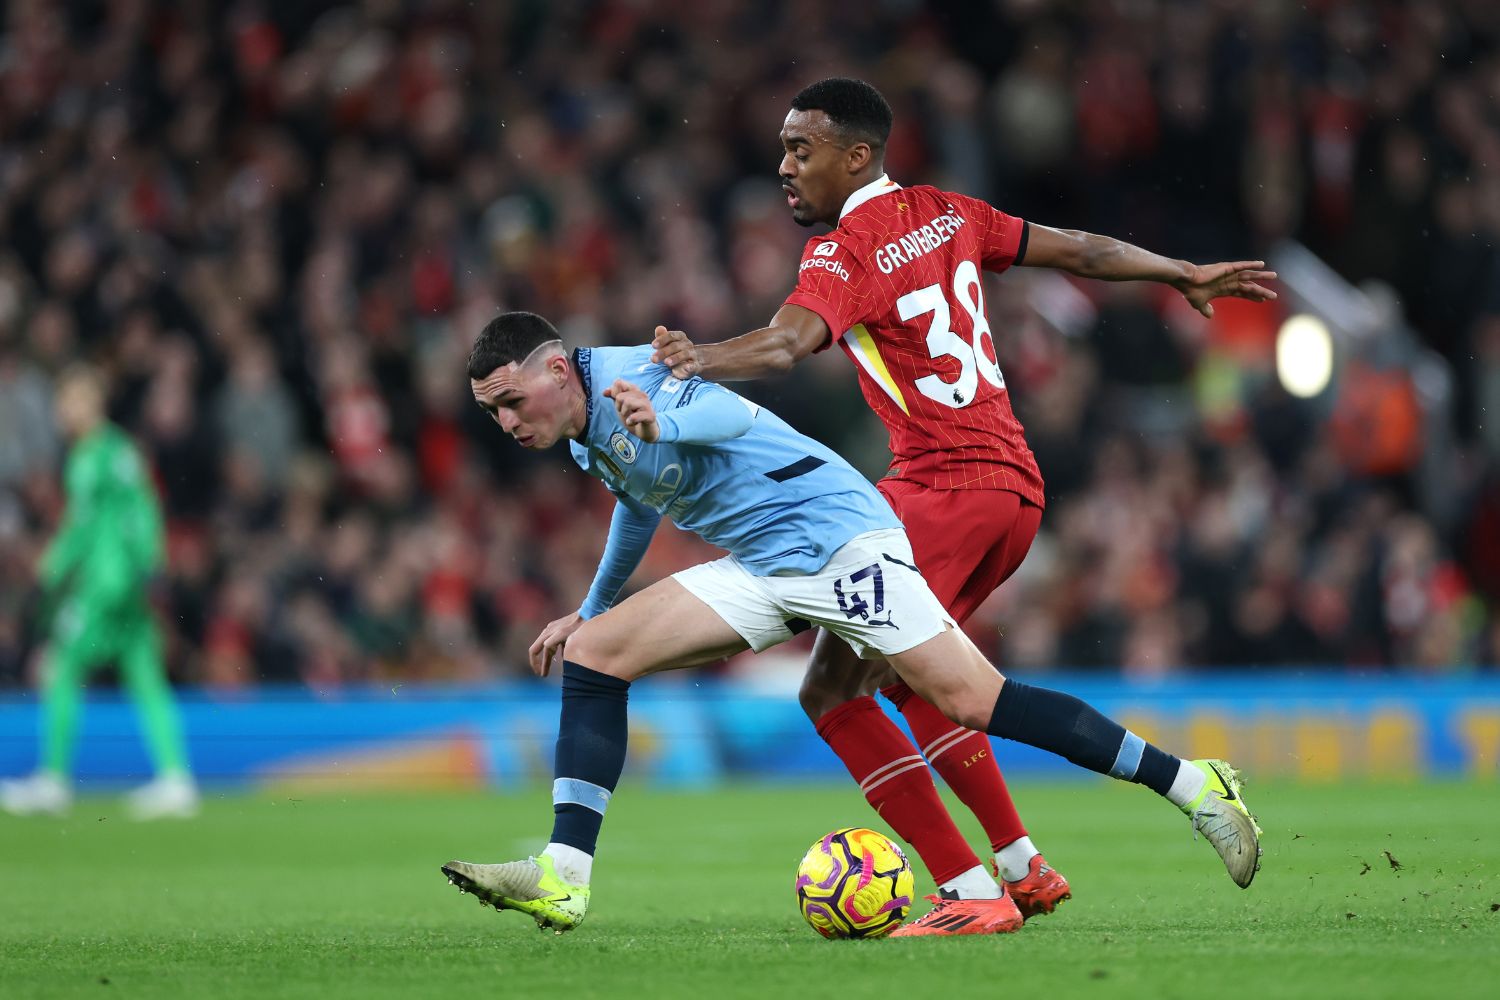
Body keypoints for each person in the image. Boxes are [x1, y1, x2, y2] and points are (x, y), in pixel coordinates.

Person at [650, 77, 1278, 934]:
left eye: (803, 149)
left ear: (856, 154)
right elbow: (1083, 252)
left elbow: (790, 344)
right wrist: (1177, 271)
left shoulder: (844, 252)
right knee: (915, 679)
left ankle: (990, 880)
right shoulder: (950, 212)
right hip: (1013, 490)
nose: (785, 167)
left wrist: (696, 358)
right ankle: (1021, 867)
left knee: (834, 694)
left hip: (938, 487)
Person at [441, 311, 1260, 935]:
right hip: (764, 562)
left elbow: (725, 417)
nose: (507, 424)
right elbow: (634, 501)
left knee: (976, 700)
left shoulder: (641, 378)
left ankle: (1194, 785)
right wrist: (588, 607)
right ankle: (564, 873)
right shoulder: (588, 426)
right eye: (492, 414)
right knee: (596, 651)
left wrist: (667, 423)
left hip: (836, 541)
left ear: (555, 369)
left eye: (511, 402)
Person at [0, 366, 199, 820]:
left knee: (63, 664)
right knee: (145, 675)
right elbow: (124, 513)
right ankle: (176, 777)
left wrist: (52, 568)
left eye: (66, 401)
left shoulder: (100, 455)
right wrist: (149, 566)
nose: (59, 411)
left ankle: (53, 779)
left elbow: (118, 516)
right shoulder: (107, 452)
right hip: (126, 581)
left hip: (108, 584)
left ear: (88, 403)